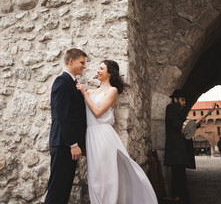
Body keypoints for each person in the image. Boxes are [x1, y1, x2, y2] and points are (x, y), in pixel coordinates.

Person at [76, 60, 158, 204]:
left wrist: (84, 93)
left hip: (103, 135)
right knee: (95, 176)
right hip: (91, 135)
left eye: (101, 68)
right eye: (98, 68)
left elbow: (98, 112)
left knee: (106, 175)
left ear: (110, 72)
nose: (98, 71)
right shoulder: (91, 92)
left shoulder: (112, 91)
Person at [45, 48, 88, 204]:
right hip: (64, 144)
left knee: (64, 191)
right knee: (57, 191)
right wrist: (73, 143)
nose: (84, 66)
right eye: (82, 62)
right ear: (71, 61)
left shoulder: (72, 83)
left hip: (68, 145)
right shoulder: (62, 82)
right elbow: (63, 116)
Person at [164, 90, 204, 204]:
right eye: (182, 100)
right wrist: (193, 123)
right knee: (177, 174)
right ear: (175, 99)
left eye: (185, 100)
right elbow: (180, 126)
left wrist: (197, 123)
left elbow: (185, 127)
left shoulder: (178, 111)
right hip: (176, 148)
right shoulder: (171, 108)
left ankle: (180, 196)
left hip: (179, 148)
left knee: (180, 173)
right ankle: (178, 196)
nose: (184, 102)